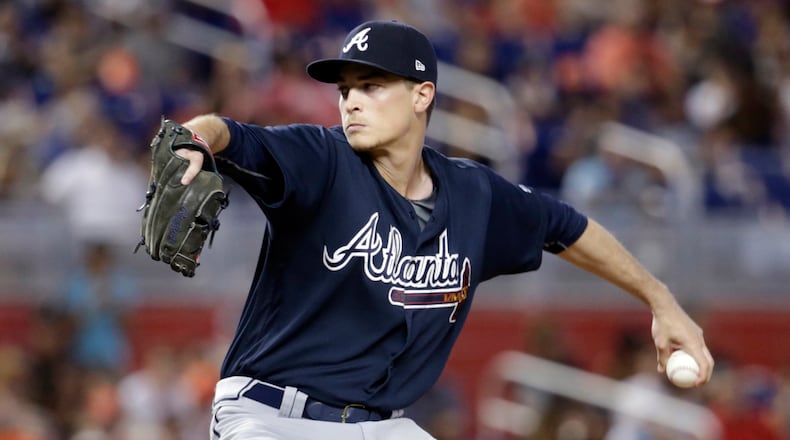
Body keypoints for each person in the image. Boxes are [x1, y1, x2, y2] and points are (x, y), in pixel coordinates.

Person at [171, 19, 713, 440]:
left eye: (372, 84)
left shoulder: (475, 195)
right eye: (345, 89)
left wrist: (660, 300)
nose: (350, 100)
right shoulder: (320, 159)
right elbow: (229, 134)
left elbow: (567, 228)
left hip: (378, 426)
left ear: (421, 96)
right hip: (271, 416)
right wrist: (193, 141)